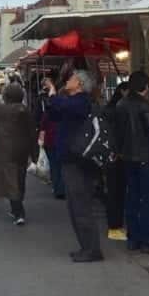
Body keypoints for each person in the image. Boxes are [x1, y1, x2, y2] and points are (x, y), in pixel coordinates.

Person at [47, 69, 103, 263]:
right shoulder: (71, 101)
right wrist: (53, 98)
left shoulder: (82, 101)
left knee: (81, 206)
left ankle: (91, 249)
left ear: (79, 83)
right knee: (74, 205)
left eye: (71, 78)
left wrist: (54, 93)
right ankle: (86, 247)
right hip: (70, 159)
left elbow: (63, 106)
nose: (67, 81)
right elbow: (54, 114)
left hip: (78, 161)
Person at [115, 71, 149, 254]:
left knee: (132, 198)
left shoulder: (120, 104)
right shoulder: (144, 105)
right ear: (145, 87)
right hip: (146, 158)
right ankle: (148, 241)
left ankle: (133, 239)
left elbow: (118, 133)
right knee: (148, 201)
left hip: (128, 158)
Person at [0, 82, 38, 225]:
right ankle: (15, 208)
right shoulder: (25, 110)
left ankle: (18, 212)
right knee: (20, 178)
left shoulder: (1, 109)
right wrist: (34, 153)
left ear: (6, 96)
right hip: (22, 150)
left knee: (6, 180)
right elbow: (32, 133)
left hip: (3, 150)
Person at [104, 81, 130, 241]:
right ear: (123, 91)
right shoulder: (118, 111)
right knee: (116, 192)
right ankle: (115, 227)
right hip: (116, 156)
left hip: (111, 155)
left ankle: (115, 226)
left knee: (114, 192)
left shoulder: (110, 109)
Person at [38, 76, 65, 199]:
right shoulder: (65, 112)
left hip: (50, 141)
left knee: (54, 166)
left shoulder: (47, 113)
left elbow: (43, 127)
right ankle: (62, 188)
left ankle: (57, 188)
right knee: (61, 166)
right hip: (61, 141)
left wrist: (41, 141)